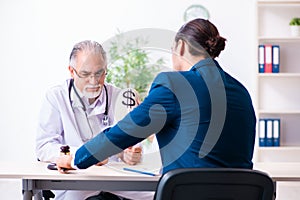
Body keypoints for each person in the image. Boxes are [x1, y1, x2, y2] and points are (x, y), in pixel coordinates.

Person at [56, 18, 256, 187]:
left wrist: (76, 159)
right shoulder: (241, 92)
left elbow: (124, 133)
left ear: (181, 46)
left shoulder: (174, 84)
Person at [36, 40, 149, 200]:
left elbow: (132, 145)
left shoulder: (121, 98)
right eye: (85, 74)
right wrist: (85, 155)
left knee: (158, 193)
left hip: (115, 179)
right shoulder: (56, 97)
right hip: (77, 179)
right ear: (72, 71)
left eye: (99, 73)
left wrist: (130, 155)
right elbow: (44, 146)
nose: (94, 81)